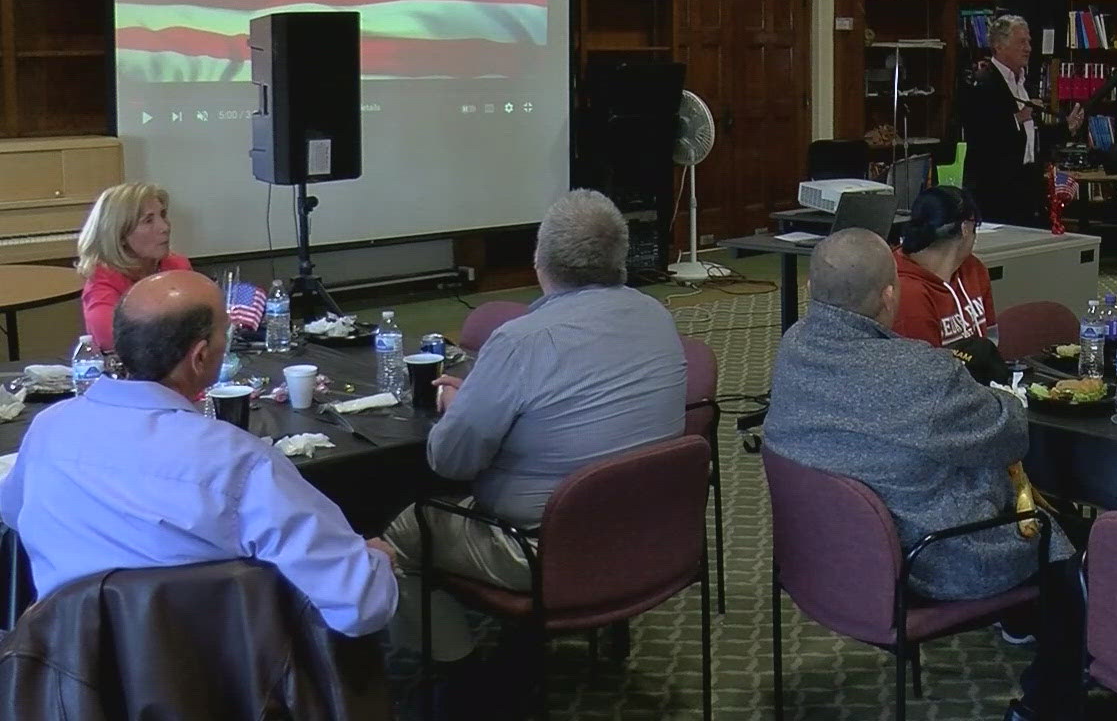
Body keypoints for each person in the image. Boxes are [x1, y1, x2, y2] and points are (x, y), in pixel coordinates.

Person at [762, 228, 1079, 721]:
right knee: (1067, 541)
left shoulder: (794, 347)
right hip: (923, 561)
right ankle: (1050, 700)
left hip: (826, 556)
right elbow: (1010, 434)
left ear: (810, 289)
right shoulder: (919, 371)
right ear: (890, 297)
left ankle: (1023, 619)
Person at [0, 270, 397, 636]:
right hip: (210, 679)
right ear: (201, 356)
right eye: (226, 331)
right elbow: (360, 606)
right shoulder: (239, 462)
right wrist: (377, 563)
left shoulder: (49, 428)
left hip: (69, 672)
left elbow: (14, 515)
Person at [382, 189, 688, 662]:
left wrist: (458, 407)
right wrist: (481, 403)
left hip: (543, 548)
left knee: (401, 533)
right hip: (649, 532)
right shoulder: (656, 315)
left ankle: (460, 675)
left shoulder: (522, 341)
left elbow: (448, 460)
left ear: (539, 259)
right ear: (619, 258)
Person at [959, 14, 1083, 227]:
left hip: (1027, 185)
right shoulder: (982, 82)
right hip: (996, 189)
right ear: (999, 46)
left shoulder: (1024, 83)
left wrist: (1066, 128)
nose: (1028, 48)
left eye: (1029, 41)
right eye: (1021, 42)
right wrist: (1017, 118)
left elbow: (1031, 133)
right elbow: (980, 133)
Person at [75, 181, 192, 352]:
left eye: (163, 215)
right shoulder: (103, 282)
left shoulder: (176, 265)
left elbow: (207, 323)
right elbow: (115, 340)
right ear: (120, 234)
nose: (165, 227)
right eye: (148, 221)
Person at [893, 185, 997, 347]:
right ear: (965, 228)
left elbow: (992, 338)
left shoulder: (974, 269)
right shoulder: (906, 293)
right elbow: (924, 367)